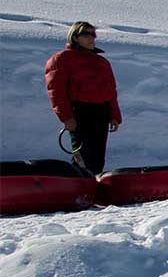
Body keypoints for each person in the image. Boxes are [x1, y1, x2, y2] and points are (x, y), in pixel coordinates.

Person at [44, 21, 122, 174]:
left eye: (93, 34)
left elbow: (110, 91)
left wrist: (114, 115)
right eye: (86, 34)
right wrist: (66, 117)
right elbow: (56, 90)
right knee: (82, 155)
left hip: (101, 111)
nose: (91, 38)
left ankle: (94, 186)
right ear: (75, 37)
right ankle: (78, 186)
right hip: (80, 111)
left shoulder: (102, 62)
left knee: (98, 156)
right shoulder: (61, 59)